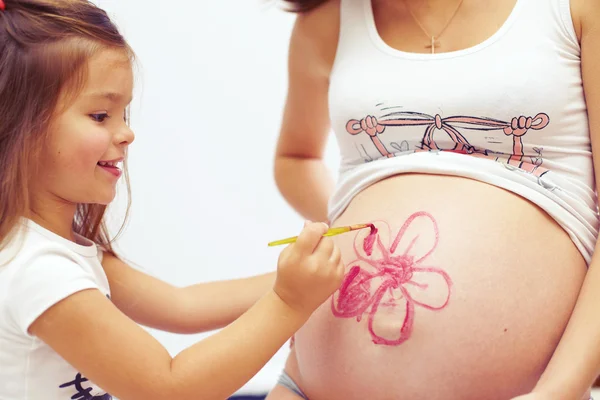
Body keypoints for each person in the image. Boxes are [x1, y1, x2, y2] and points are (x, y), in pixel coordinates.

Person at [0, 1, 345, 399]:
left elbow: (184, 307)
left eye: (124, 114)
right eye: (100, 116)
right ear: (20, 126)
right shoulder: (39, 271)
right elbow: (168, 387)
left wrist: (306, 280)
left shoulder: (64, 252)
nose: (127, 134)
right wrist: (289, 303)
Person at [268, 0, 600, 399]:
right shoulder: (327, 20)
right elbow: (296, 158)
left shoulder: (576, 8)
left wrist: (560, 389)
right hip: (307, 387)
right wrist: (362, 244)